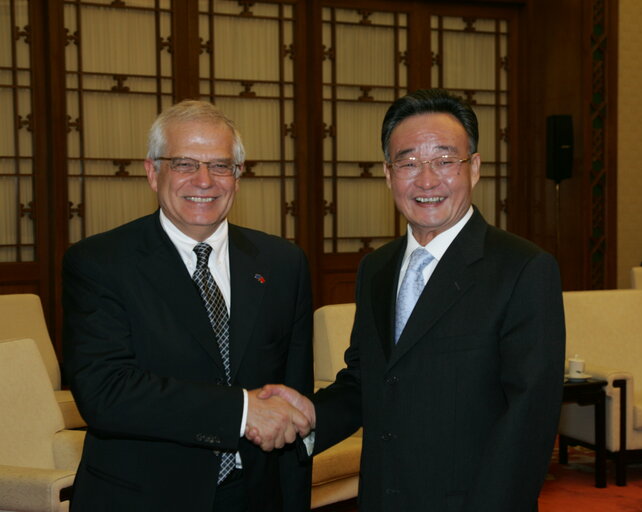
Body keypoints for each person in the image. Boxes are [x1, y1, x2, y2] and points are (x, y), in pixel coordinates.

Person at [261, 88, 566, 511]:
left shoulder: (522, 269)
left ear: (474, 168)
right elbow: (367, 379)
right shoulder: (377, 269)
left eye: (444, 161)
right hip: (384, 496)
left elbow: (529, 419)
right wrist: (310, 415)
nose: (426, 180)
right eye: (408, 163)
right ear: (388, 174)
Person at [63, 100, 314, 512]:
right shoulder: (99, 262)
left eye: (220, 166)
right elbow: (103, 392)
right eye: (184, 164)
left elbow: (291, 396)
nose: (204, 181)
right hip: (143, 497)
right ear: (152, 172)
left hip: (254, 495)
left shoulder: (283, 263)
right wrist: (242, 411)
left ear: (237, 176)